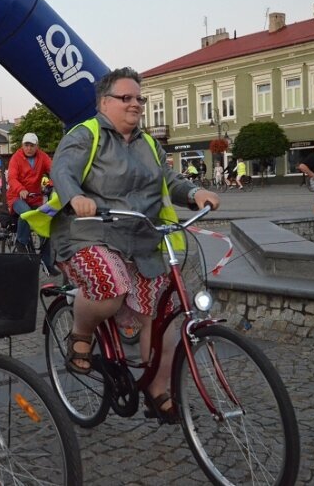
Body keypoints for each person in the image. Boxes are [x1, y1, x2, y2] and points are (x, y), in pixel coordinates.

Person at [49, 67, 220, 422]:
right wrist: (76, 196)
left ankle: (156, 389)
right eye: (125, 98)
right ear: (104, 102)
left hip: (143, 238)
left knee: (160, 317)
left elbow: (169, 179)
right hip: (89, 233)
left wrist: (194, 191)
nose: (135, 104)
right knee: (109, 286)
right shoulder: (87, 134)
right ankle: (81, 334)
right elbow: (62, 171)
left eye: (139, 98)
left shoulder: (148, 144)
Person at [7, 132, 53, 264]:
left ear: (37, 146)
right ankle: (21, 242)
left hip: (35, 197)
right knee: (26, 213)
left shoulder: (43, 156)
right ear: (22, 145)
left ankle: (47, 261)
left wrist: (51, 184)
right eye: (26, 145)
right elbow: (12, 178)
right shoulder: (16, 158)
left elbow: (54, 170)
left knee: (45, 224)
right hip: (16, 197)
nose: (29, 148)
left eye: (32, 145)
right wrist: (21, 189)